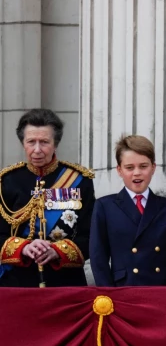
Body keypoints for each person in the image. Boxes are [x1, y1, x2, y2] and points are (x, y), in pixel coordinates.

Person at [90, 135, 166, 286]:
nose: (137, 172)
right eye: (129, 167)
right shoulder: (105, 206)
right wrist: (107, 296)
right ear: (119, 170)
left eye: (143, 166)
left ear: (153, 168)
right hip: (125, 289)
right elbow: (98, 258)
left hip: (164, 290)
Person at [0, 109, 95, 287]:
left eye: (44, 142)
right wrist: (24, 248)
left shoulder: (80, 180)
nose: (37, 150)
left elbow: (91, 235)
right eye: (31, 142)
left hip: (66, 281)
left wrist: (58, 251)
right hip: (17, 282)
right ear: (23, 144)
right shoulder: (7, 181)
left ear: (55, 144)